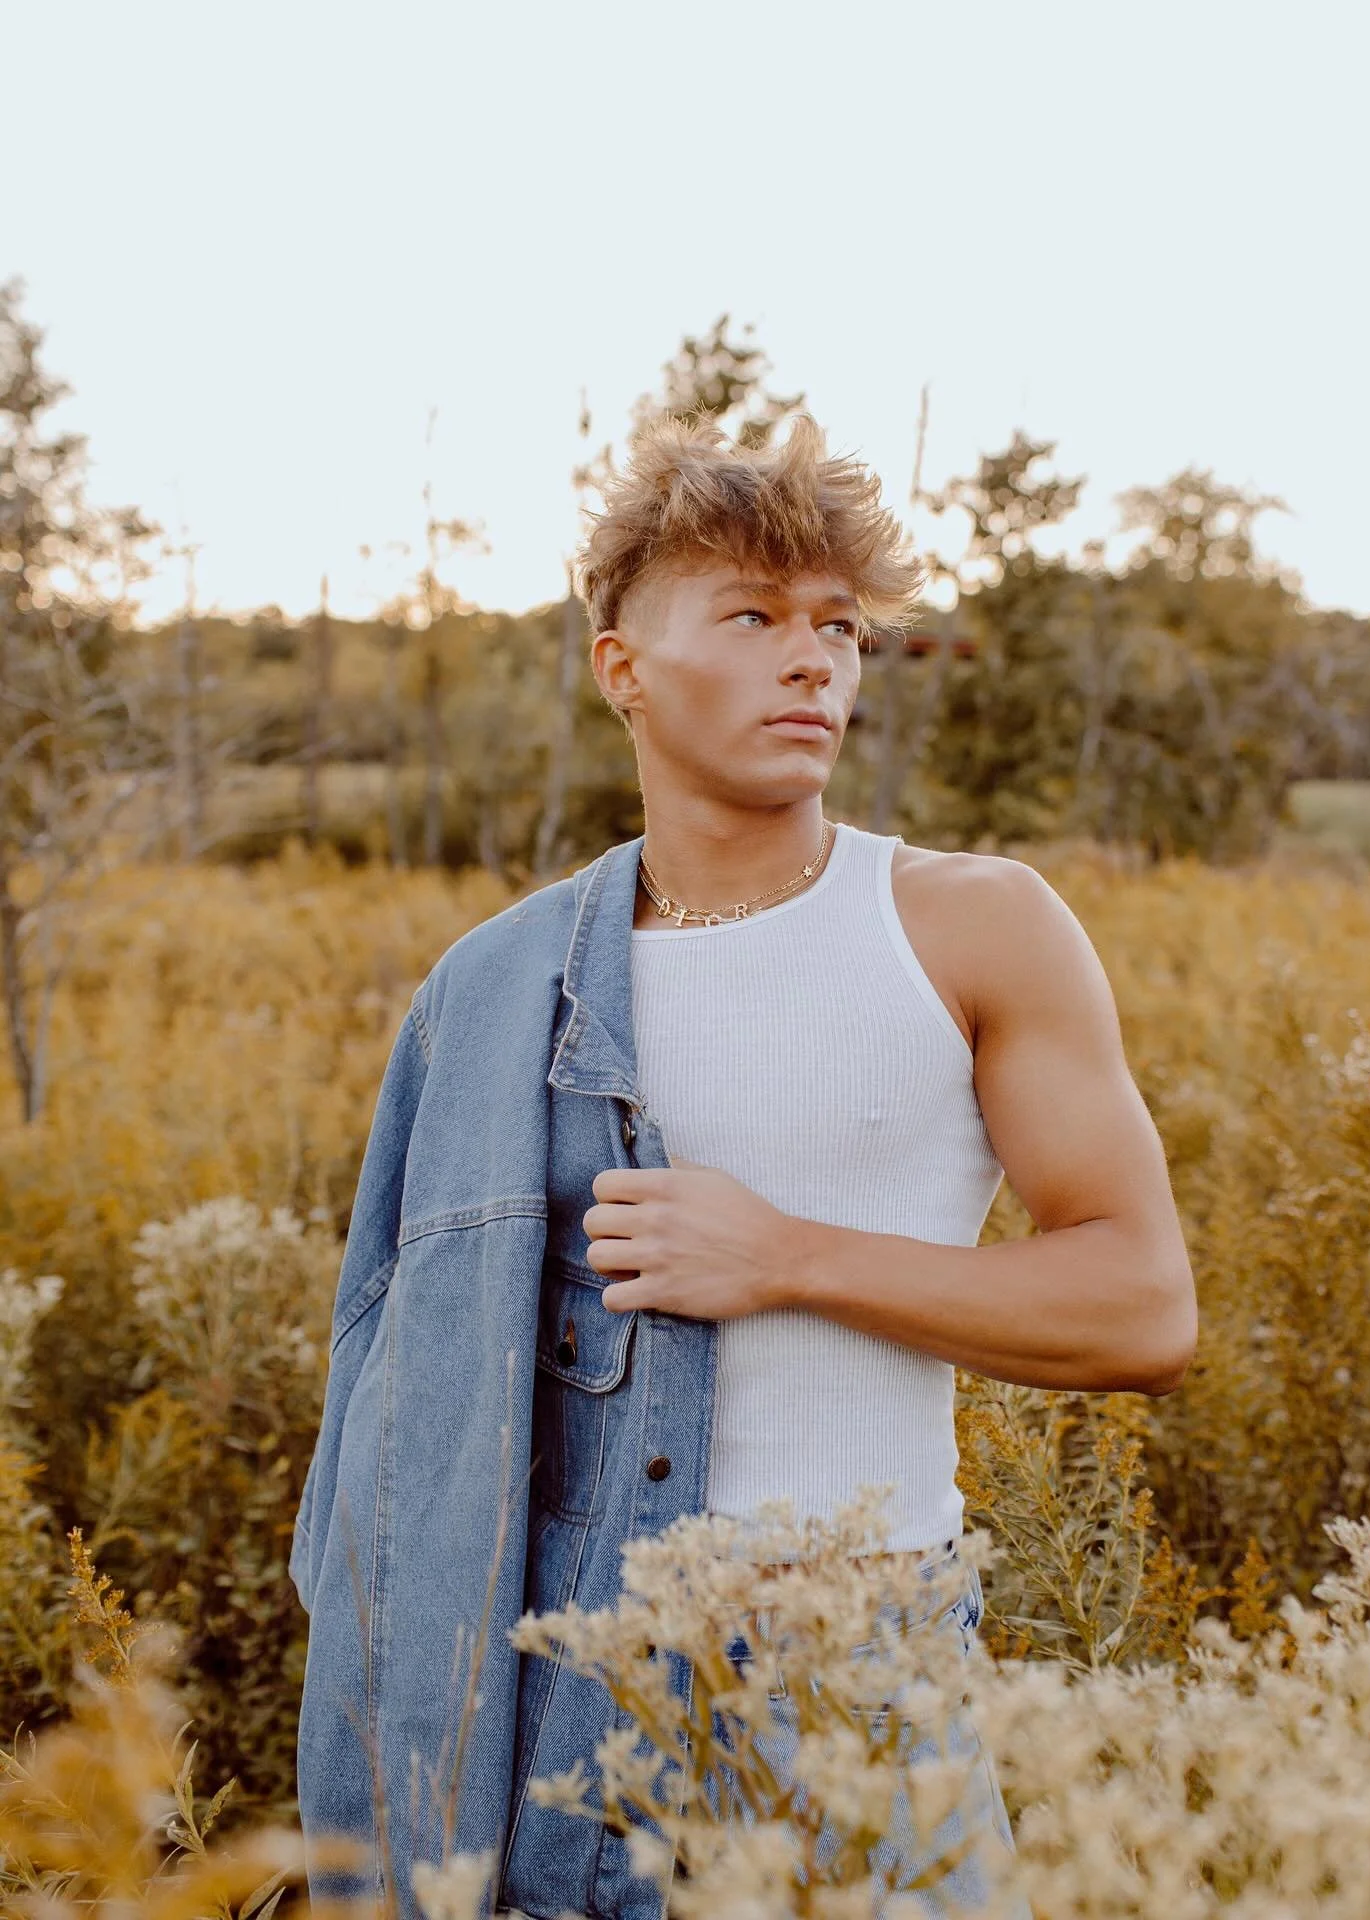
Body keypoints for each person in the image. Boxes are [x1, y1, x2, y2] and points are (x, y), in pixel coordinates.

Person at [289, 412, 1197, 1920]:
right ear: (621, 668)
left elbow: (1143, 1307)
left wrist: (788, 1257)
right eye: (756, 615)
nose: (816, 661)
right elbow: (392, 1436)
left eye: (840, 626)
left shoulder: (972, 924)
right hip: (569, 1682)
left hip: (864, 1671)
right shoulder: (493, 990)